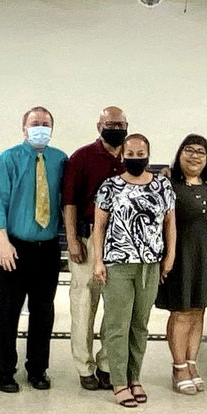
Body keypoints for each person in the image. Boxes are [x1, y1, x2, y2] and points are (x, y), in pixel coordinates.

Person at [0, 107, 68, 393]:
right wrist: (2, 242)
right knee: (8, 311)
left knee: (43, 312)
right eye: (35, 124)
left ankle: (37, 369)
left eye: (46, 124)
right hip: (14, 246)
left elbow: (64, 201)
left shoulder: (60, 160)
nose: (40, 128)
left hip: (47, 247)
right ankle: (4, 370)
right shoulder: (7, 159)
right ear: (23, 127)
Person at [92, 133, 175, 408]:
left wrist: (169, 256)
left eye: (141, 154)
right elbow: (99, 227)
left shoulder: (162, 185)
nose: (136, 158)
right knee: (118, 325)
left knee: (140, 325)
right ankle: (118, 381)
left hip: (149, 265)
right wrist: (98, 261)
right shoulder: (110, 186)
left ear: (148, 155)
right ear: (122, 155)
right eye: (131, 153)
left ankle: (134, 377)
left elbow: (169, 224)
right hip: (118, 264)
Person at [60, 106, 128, 391]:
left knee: (117, 307)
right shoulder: (82, 157)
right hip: (87, 241)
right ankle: (84, 366)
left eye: (120, 124)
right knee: (84, 305)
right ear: (99, 125)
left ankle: (106, 365)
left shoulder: (133, 156)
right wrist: (73, 240)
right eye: (110, 123)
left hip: (123, 244)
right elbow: (70, 202)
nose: (115, 128)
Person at [157, 134, 207, 395]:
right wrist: (167, 257)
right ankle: (178, 367)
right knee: (182, 311)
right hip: (183, 257)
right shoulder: (168, 183)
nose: (195, 156)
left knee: (199, 311)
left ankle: (192, 363)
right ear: (179, 153)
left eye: (201, 152)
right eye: (189, 150)